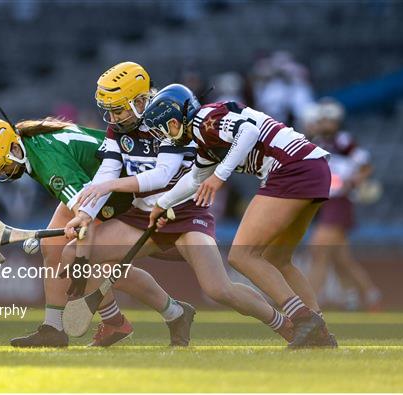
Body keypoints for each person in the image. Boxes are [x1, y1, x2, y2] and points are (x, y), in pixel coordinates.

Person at [62, 63, 297, 346]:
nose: (112, 117)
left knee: (218, 288)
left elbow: (162, 175)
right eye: (109, 110)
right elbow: (107, 172)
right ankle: (131, 321)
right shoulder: (117, 130)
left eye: (118, 109)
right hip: (144, 217)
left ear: (139, 101)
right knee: (74, 255)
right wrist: (85, 214)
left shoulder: (167, 115)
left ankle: (286, 325)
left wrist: (109, 186)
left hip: (184, 214)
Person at [0, 107, 192, 347]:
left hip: (119, 192)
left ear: (14, 149)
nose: (1, 174)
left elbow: (86, 214)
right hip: (90, 184)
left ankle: (171, 313)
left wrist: (81, 257)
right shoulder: (20, 140)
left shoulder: (51, 165)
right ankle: (53, 328)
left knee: (95, 262)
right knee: (52, 246)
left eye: (2, 168)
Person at [143, 84, 337, 347]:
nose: (164, 135)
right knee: (277, 259)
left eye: (164, 127)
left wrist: (220, 177)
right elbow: (194, 179)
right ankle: (320, 332)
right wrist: (162, 204)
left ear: (178, 119)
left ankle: (304, 319)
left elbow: (249, 132)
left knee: (242, 255)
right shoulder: (204, 138)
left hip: (292, 169)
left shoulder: (204, 120)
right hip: (311, 167)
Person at [307, 99, 382, 310]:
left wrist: (356, 179)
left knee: (318, 249)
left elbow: (366, 166)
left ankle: (308, 304)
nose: (322, 123)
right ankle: (370, 295)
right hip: (325, 202)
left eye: (326, 119)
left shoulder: (344, 141)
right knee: (341, 258)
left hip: (339, 201)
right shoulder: (318, 141)